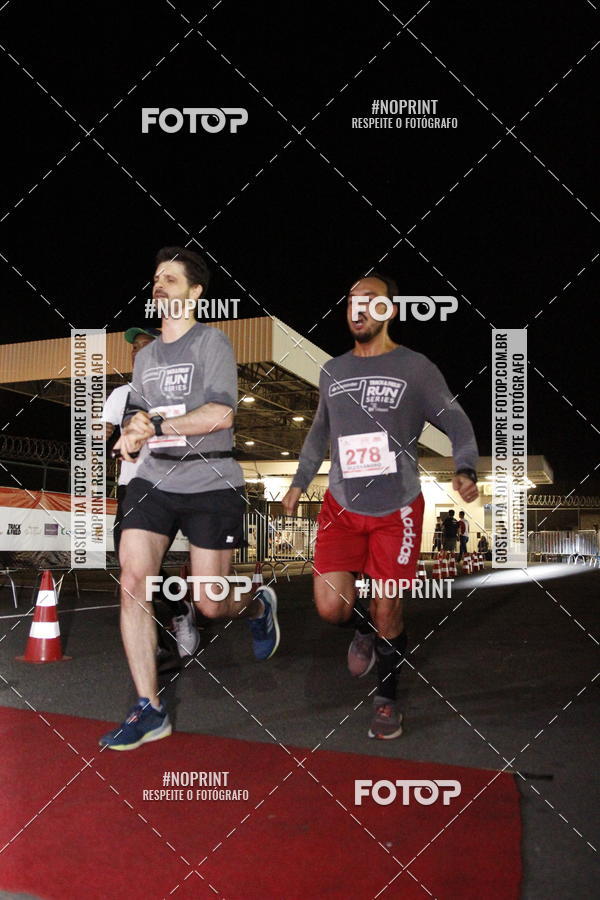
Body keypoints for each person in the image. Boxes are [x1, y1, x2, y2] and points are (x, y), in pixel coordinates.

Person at [282, 273, 479, 739]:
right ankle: (362, 627)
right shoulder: (333, 370)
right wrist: (297, 482)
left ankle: (387, 698)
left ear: (390, 310)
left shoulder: (416, 368)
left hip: (397, 510)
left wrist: (465, 467)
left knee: (389, 607)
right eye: (351, 301)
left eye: (369, 301)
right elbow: (318, 435)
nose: (357, 308)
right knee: (331, 607)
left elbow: (457, 420)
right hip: (341, 506)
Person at [100, 247, 280, 750]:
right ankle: (149, 709)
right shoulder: (148, 357)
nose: (159, 285)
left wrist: (155, 423)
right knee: (134, 580)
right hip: (154, 481)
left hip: (209, 482)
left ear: (195, 293)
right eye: (156, 277)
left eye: (171, 278)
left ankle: (256, 604)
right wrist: (131, 434)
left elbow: (221, 416)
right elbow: (136, 416)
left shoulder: (213, 343)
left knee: (210, 602)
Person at [102, 326, 200, 666]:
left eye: (145, 345)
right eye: (134, 348)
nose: (136, 351)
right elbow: (103, 431)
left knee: (142, 566)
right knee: (131, 563)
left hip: (169, 485)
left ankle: (162, 636)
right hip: (133, 488)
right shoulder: (121, 395)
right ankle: (176, 611)